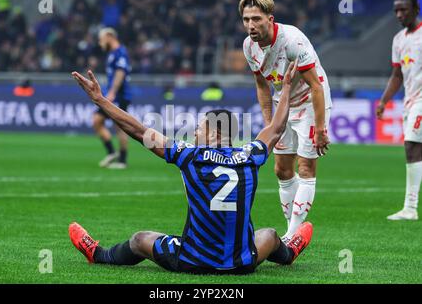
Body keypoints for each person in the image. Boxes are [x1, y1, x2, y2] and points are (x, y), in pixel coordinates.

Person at [69, 62, 313, 275]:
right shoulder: (250, 155)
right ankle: (289, 251)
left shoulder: (190, 156)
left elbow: (139, 131)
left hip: (193, 260)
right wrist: (287, 88)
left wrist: (100, 100)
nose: (195, 131)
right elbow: (277, 128)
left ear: (216, 133)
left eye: (201, 127)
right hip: (242, 263)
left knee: (139, 239)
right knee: (269, 235)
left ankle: (99, 255)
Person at [239, 0, 332, 242]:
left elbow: (316, 86)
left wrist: (321, 129)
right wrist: (271, 123)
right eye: (246, 19)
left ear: (270, 18)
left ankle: (292, 234)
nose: (251, 25)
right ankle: (290, 228)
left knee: (306, 167)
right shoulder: (249, 47)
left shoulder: (293, 41)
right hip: (283, 104)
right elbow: (261, 86)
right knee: (281, 170)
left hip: (310, 104)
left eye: (256, 19)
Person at [376, 0, 421, 221]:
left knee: (412, 146)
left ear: (416, 9)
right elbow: (396, 75)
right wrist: (384, 100)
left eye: (403, 9)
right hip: (410, 100)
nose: (399, 14)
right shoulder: (399, 40)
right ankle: (410, 208)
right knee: (414, 147)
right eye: (396, 10)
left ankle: (410, 208)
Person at [94, 27, 132, 169]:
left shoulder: (120, 52)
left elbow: (120, 73)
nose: (100, 42)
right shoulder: (112, 54)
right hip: (114, 95)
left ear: (110, 36)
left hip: (119, 96)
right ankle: (113, 153)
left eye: (101, 38)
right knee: (99, 121)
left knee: (118, 127)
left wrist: (112, 92)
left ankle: (121, 159)